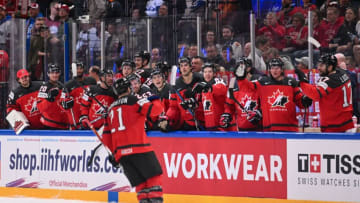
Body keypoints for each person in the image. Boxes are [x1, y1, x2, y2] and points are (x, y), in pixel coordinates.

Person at [102, 77, 164, 203]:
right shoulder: (134, 100)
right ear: (129, 88)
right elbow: (156, 111)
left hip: (122, 155)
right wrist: (155, 98)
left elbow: (106, 137)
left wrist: (114, 153)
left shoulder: (110, 109)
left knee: (141, 185)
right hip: (139, 149)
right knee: (153, 180)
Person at [234, 58, 312, 132]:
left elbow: (301, 103)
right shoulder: (263, 82)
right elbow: (247, 87)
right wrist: (241, 78)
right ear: (269, 70)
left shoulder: (291, 82)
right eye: (272, 68)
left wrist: (305, 100)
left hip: (289, 129)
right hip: (270, 129)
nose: (275, 70)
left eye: (277, 68)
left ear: (282, 69)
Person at [295, 54, 354, 132]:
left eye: (322, 65)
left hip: (335, 125)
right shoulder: (342, 73)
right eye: (318, 65)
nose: (318, 68)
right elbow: (328, 91)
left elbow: (315, 94)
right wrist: (309, 95)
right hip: (346, 122)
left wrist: (302, 83)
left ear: (330, 67)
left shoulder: (331, 80)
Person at [221, 58, 263, 131]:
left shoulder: (258, 79)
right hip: (241, 127)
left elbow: (265, 102)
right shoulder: (232, 82)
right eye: (238, 66)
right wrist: (227, 114)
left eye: (242, 65)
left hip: (258, 126)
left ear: (249, 68)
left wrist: (259, 112)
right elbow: (229, 105)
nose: (240, 68)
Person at [165, 57, 204, 130]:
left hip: (202, 121)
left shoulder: (200, 78)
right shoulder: (176, 84)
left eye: (185, 65)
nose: (183, 68)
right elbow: (173, 107)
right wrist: (167, 118)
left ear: (190, 67)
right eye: (181, 66)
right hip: (186, 122)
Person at [193, 63, 227, 131]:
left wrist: (209, 88)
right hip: (208, 125)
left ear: (214, 74)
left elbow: (222, 89)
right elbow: (202, 106)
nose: (207, 74)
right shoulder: (202, 86)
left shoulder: (218, 82)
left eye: (210, 72)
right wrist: (193, 105)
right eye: (205, 72)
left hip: (220, 125)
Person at [37, 64, 71, 129]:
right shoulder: (44, 87)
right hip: (50, 124)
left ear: (59, 73)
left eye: (56, 72)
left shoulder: (63, 86)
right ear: (48, 74)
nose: (55, 75)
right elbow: (40, 108)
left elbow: (63, 104)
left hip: (63, 125)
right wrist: (49, 99)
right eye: (52, 73)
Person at [64, 62, 96, 128]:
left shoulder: (91, 81)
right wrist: (66, 102)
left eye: (80, 68)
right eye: (77, 69)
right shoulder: (68, 85)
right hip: (76, 117)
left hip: (89, 114)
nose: (79, 71)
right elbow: (62, 101)